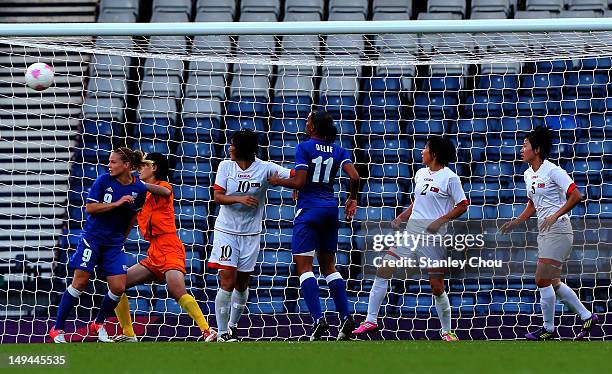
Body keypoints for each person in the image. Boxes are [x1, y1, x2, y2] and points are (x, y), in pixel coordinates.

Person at [352, 136, 468, 342]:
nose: (422, 151)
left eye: (425, 148)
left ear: (434, 154)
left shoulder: (450, 178)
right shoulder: (420, 173)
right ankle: (370, 320)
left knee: (436, 286)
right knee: (384, 267)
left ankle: (447, 331)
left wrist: (440, 221)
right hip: (412, 232)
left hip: (433, 238)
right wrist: (402, 216)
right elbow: (418, 201)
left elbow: (462, 205)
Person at [49, 147, 169, 343]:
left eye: (113, 162)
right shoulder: (103, 181)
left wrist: (122, 238)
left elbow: (133, 215)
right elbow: (90, 208)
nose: (109, 165)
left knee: (118, 287)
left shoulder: (138, 188)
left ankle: (98, 324)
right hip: (93, 239)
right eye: (109, 161)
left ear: (127, 165)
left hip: (114, 243)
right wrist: (116, 203)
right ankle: (58, 328)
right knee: (79, 282)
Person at [268, 110, 360, 341]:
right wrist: (353, 198)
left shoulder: (304, 147)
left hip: (309, 210)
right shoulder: (339, 150)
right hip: (330, 209)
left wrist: (278, 181)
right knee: (329, 266)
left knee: (304, 267)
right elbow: (355, 177)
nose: (305, 123)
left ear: (313, 127)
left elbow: (299, 181)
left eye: (308, 120)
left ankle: (319, 321)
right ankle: (346, 317)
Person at [500, 126, 598, 340]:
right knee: (552, 281)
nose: (521, 149)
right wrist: (516, 222)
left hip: (560, 229)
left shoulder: (553, 171)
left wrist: (555, 214)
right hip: (544, 231)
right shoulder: (527, 174)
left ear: (536, 149)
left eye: (525, 145)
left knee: (541, 279)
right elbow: (532, 204)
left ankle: (548, 329)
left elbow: (576, 195)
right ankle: (587, 315)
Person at [112, 153, 216, 342]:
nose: (139, 169)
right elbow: (132, 218)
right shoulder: (140, 195)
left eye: (143, 166)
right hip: (153, 252)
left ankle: (207, 330)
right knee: (118, 285)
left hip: (169, 247)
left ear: (154, 168)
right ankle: (128, 334)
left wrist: (137, 183)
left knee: (176, 290)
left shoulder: (163, 186)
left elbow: (166, 193)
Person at [209, 129, 293, 342]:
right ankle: (222, 333)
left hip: (250, 234)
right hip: (226, 231)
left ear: (242, 149)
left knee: (242, 283)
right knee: (226, 281)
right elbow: (217, 196)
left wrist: (294, 187)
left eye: (233, 145)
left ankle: (233, 326)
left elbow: (295, 175)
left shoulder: (265, 168)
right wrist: (239, 199)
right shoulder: (225, 166)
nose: (229, 148)